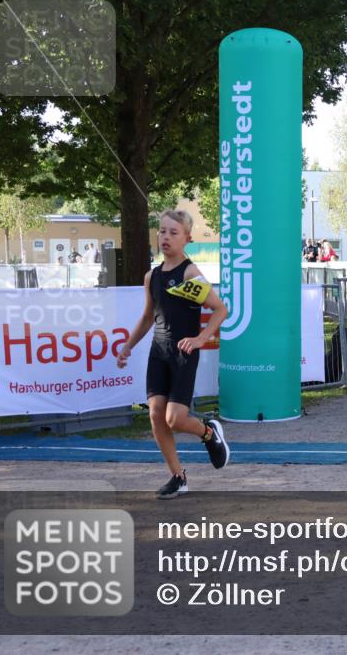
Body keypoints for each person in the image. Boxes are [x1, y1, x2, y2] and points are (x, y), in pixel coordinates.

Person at [116, 210, 230, 499]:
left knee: (175, 419)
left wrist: (201, 338)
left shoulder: (189, 273)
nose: (166, 237)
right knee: (156, 415)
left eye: (173, 233)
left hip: (183, 352)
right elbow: (147, 317)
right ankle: (178, 477)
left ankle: (208, 432)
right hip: (159, 350)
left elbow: (220, 309)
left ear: (187, 239)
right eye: (162, 231)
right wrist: (128, 345)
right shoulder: (151, 276)